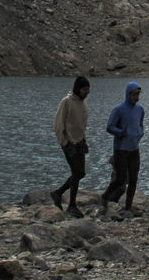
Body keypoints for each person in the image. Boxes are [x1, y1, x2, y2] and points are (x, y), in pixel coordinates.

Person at [101, 81, 144, 218]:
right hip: (121, 149)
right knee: (120, 179)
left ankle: (128, 206)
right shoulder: (119, 109)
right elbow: (109, 126)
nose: (135, 98)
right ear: (128, 94)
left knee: (133, 178)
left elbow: (141, 124)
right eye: (133, 95)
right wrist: (121, 132)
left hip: (134, 149)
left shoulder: (140, 109)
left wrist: (140, 133)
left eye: (137, 95)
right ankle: (105, 197)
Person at [51, 76, 90, 217]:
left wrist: (84, 141)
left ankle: (61, 196)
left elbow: (82, 124)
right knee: (77, 172)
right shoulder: (66, 102)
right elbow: (57, 124)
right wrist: (65, 143)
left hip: (79, 142)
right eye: (85, 90)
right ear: (78, 89)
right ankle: (68, 202)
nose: (87, 92)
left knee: (80, 173)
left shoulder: (83, 102)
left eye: (88, 90)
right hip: (69, 143)